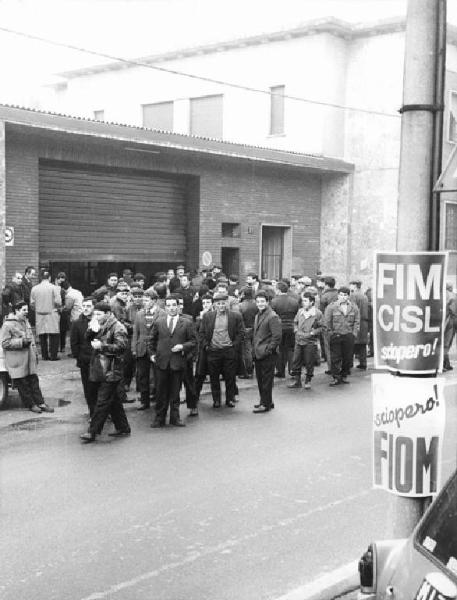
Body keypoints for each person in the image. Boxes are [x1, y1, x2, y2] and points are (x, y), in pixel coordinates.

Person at [80, 301, 130, 443]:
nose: (95, 316)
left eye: (98, 314)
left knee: (102, 401)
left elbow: (121, 347)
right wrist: (91, 330)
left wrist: (102, 346)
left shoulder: (118, 327)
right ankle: (123, 427)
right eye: (95, 313)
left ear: (108, 314)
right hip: (100, 368)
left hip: (112, 369)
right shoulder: (99, 325)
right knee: (112, 400)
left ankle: (92, 431)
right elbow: (87, 339)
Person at [148, 294, 196, 428]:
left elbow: (193, 341)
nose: (171, 308)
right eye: (168, 306)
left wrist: (183, 347)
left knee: (175, 392)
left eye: (174, 305)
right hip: (161, 362)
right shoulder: (159, 322)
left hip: (177, 362)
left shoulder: (186, 323)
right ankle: (159, 418)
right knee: (160, 392)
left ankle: (175, 418)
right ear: (165, 307)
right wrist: (152, 354)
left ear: (178, 306)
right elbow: (151, 340)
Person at [0, 301, 53, 413]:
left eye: (27, 310)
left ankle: (41, 403)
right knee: (23, 384)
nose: (26, 312)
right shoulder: (7, 325)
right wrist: (21, 342)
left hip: (29, 359)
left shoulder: (25, 322)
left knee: (34, 382)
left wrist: (35, 354)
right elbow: (4, 343)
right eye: (24, 310)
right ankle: (31, 405)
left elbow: (31, 339)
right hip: (17, 360)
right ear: (16, 311)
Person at [198, 291, 244, 408]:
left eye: (223, 303)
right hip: (213, 351)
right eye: (218, 304)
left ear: (227, 304)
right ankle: (216, 400)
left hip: (229, 350)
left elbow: (241, 333)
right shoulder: (208, 317)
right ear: (214, 305)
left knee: (230, 376)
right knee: (214, 377)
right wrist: (206, 346)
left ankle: (230, 399)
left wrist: (234, 345)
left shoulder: (235, 316)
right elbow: (201, 333)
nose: (221, 306)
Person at [132, 289, 165, 410]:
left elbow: (163, 333)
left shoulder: (162, 313)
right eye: (143, 300)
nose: (144, 302)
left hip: (156, 348)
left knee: (158, 375)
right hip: (141, 348)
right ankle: (144, 401)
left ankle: (158, 399)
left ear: (154, 301)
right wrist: (134, 349)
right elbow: (136, 332)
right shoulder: (139, 314)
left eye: (147, 300)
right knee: (142, 376)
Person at [252, 290, 281, 413]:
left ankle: (266, 404)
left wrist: (268, 350)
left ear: (267, 302)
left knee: (266, 380)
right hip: (259, 353)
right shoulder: (258, 314)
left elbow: (277, 337)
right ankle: (266, 401)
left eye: (262, 301)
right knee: (261, 379)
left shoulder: (272, 316)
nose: (260, 304)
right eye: (258, 301)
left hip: (267, 354)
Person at [324, 286, 360, 386]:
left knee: (347, 357)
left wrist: (354, 334)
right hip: (336, 335)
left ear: (348, 296)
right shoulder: (332, 307)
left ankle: (344, 376)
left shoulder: (353, 307)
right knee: (335, 357)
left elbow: (357, 322)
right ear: (338, 295)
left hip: (348, 335)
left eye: (345, 295)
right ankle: (336, 377)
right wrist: (330, 333)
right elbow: (327, 321)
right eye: (340, 295)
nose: (342, 297)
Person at [288, 292, 323, 389]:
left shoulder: (317, 313)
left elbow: (322, 327)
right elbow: (295, 322)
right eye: (303, 300)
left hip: (310, 342)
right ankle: (297, 381)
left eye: (306, 301)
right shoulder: (300, 311)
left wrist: (312, 333)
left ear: (312, 302)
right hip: (299, 340)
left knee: (309, 362)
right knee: (296, 361)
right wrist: (295, 330)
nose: (303, 303)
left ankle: (308, 380)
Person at [70, 297, 98, 417]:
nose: (85, 309)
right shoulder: (77, 323)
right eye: (84, 306)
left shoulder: (99, 321)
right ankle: (93, 413)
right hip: (85, 361)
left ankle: (103, 412)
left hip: (100, 360)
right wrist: (80, 357)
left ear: (94, 308)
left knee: (102, 388)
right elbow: (74, 344)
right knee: (89, 389)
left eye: (88, 306)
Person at [110, 282, 135, 399]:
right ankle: (121, 394)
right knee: (122, 364)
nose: (125, 295)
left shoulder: (122, 303)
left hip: (121, 334)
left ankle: (121, 391)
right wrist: (133, 327)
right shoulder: (117, 305)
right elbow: (121, 321)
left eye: (126, 293)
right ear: (117, 293)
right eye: (122, 293)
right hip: (121, 335)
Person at [30, 270, 62, 361]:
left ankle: (44, 355)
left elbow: (32, 304)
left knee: (42, 336)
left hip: (39, 314)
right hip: (52, 313)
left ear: (40, 278)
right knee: (54, 335)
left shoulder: (34, 288)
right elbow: (58, 302)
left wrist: (38, 308)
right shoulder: (54, 288)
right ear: (49, 278)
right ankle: (53, 356)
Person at [271, 281, 299, 378]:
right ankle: (292, 370)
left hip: (279, 328)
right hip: (291, 328)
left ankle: (280, 371)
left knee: (280, 350)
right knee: (291, 349)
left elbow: (272, 316)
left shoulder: (274, 301)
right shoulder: (294, 301)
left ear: (278, 290)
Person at [349, 280, 369, 370]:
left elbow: (351, 309)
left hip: (356, 321)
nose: (350, 287)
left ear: (355, 286)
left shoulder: (353, 296)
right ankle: (363, 363)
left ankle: (349, 363)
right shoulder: (364, 296)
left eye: (351, 285)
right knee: (362, 344)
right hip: (364, 322)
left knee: (351, 343)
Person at [238, 286, 257, 378]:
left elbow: (239, 320)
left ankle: (249, 370)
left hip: (246, 329)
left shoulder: (241, 306)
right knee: (255, 349)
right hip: (256, 328)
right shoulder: (257, 304)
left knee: (247, 351)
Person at [443, 283, 457, 371]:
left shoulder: (441, 295)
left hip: (443, 322)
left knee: (443, 343)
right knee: (447, 343)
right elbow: (454, 311)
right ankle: (445, 364)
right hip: (451, 322)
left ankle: (445, 363)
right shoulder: (453, 296)